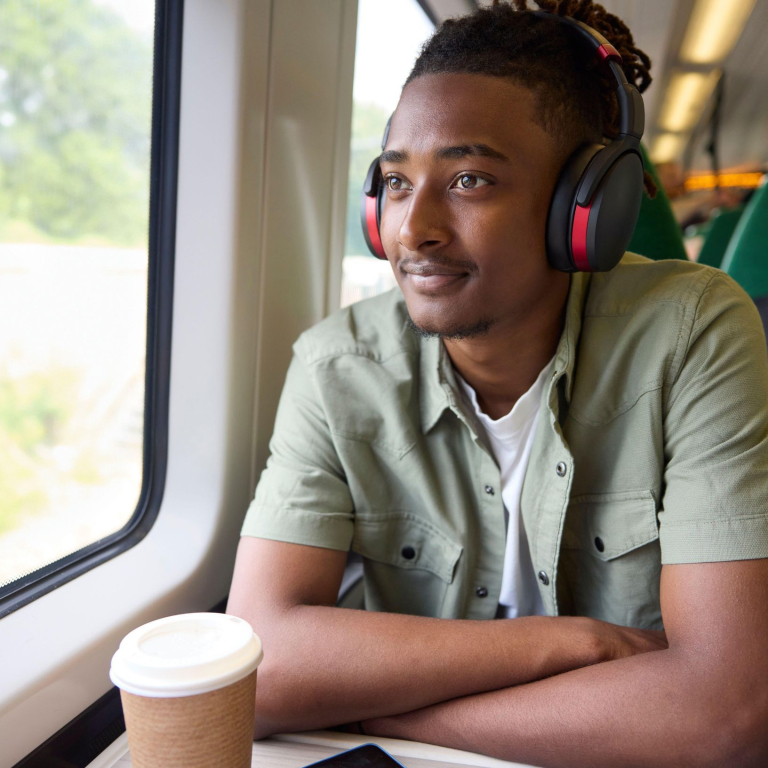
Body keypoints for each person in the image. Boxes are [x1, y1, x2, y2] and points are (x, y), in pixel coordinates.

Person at [226, 1, 768, 765]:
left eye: (471, 179)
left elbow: (725, 715)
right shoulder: (335, 365)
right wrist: (583, 645)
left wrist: (380, 717)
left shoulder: (693, 333)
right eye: (396, 182)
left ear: (584, 207)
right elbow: (259, 663)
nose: (413, 230)